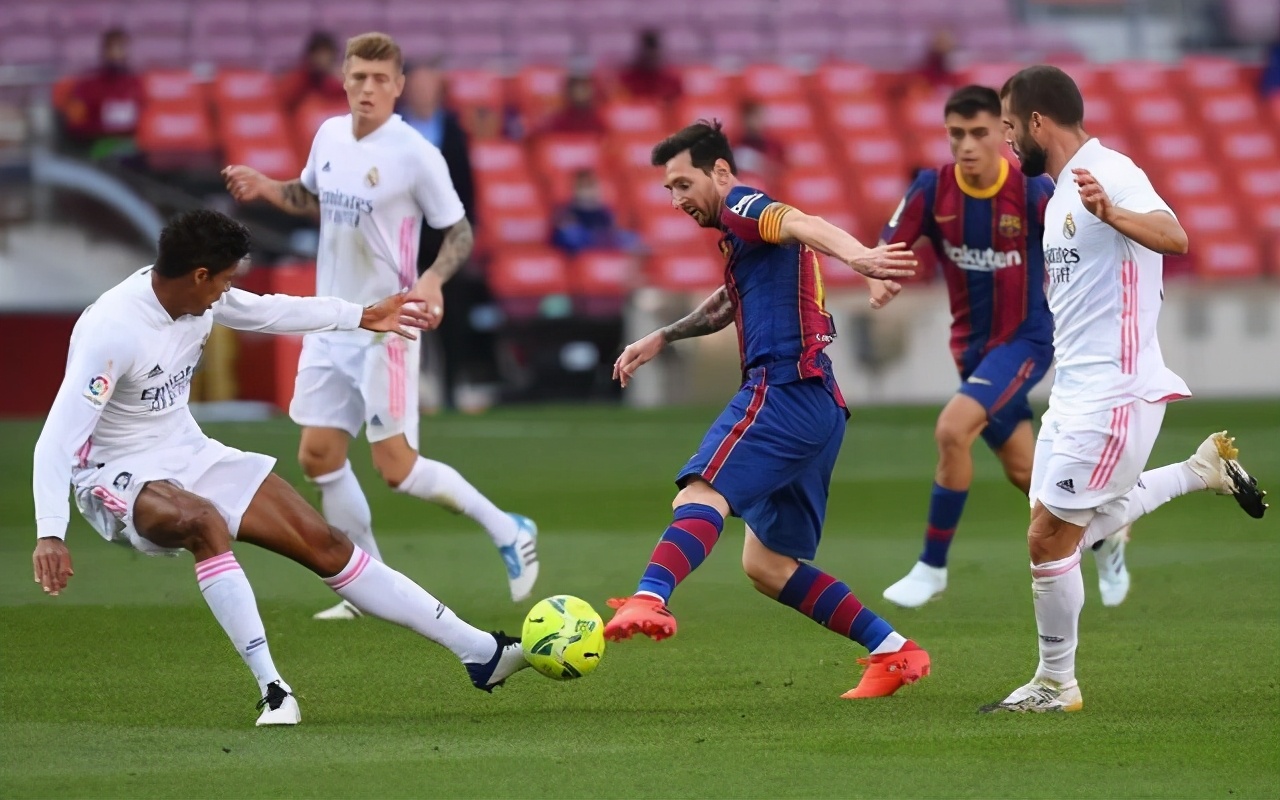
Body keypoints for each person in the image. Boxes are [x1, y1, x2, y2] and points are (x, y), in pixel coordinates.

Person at [30, 210, 530, 725]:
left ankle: (481, 653)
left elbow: (268, 311)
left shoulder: (200, 298)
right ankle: (273, 690)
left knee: (326, 543)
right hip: (113, 474)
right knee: (203, 521)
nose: (229, 290)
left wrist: (360, 315)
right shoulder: (113, 330)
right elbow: (56, 439)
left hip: (186, 450)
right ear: (199, 275)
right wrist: (51, 533)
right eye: (225, 279)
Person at [604, 121, 930, 700]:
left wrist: (860, 257)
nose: (677, 200)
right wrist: (664, 336)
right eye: (669, 190)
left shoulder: (742, 204)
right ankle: (894, 651)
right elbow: (730, 300)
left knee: (701, 492)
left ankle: (650, 596)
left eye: (683, 184)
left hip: (781, 388)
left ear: (720, 171)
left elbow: (802, 221)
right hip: (819, 403)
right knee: (767, 565)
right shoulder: (740, 237)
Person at [222, 33, 539, 621]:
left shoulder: (416, 153)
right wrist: (268, 187)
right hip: (330, 320)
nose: (367, 88)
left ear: (398, 86)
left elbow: (459, 231)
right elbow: (311, 195)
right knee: (318, 456)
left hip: (386, 327)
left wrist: (433, 279)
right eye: (358, 77)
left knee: (397, 468)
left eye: (379, 79)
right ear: (345, 79)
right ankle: (367, 588)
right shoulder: (328, 135)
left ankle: (508, 527)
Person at [983, 65, 1268, 713]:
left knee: (1049, 539)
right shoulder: (1059, 193)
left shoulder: (1109, 171)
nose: (1006, 141)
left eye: (1008, 127)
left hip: (1114, 392)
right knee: (1054, 525)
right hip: (1074, 392)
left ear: (1037, 122)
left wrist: (1113, 212)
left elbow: (1175, 236)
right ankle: (1200, 471)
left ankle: (1056, 684)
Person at [874, 85, 1131, 609]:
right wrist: (878, 276)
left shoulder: (1031, 192)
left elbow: (1083, 244)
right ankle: (1107, 536)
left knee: (952, 430)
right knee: (1028, 475)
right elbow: (886, 246)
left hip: (1026, 340)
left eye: (978, 133)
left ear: (1001, 132)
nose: (966, 145)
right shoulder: (932, 188)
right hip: (971, 352)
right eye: (956, 134)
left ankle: (931, 567)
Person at [60, 28, 143, 159]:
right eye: (112, 48)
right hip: (94, 145)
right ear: (104, 50)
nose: (116, 53)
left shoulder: (135, 84)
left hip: (128, 143)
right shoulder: (88, 84)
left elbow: (142, 118)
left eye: (121, 48)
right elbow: (74, 123)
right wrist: (103, 127)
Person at [551, 169, 639, 255]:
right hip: (581, 244)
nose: (588, 191)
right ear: (574, 189)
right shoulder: (566, 211)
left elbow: (611, 232)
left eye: (591, 186)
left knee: (630, 237)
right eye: (583, 187)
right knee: (571, 234)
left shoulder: (605, 211)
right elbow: (564, 237)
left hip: (601, 241)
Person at [278, 31, 348, 114]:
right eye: (319, 54)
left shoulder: (339, 78)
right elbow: (285, 102)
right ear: (311, 55)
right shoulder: (300, 79)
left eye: (326, 53)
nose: (322, 59)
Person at [616, 29, 683, 102]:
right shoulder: (627, 79)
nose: (649, 57)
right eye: (646, 54)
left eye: (652, 54)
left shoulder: (671, 80)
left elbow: (679, 104)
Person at [733, 100, 785, 183]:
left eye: (759, 116)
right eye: (752, 117)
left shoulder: (775, 145)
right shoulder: (735, 145)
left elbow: (783, 170)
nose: (756, 121)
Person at [540, 75, 607, 136]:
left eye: (584, 87)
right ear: (568, 89)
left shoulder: (600, 124)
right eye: (576, 86)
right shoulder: (556, 123)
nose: (580, 91)